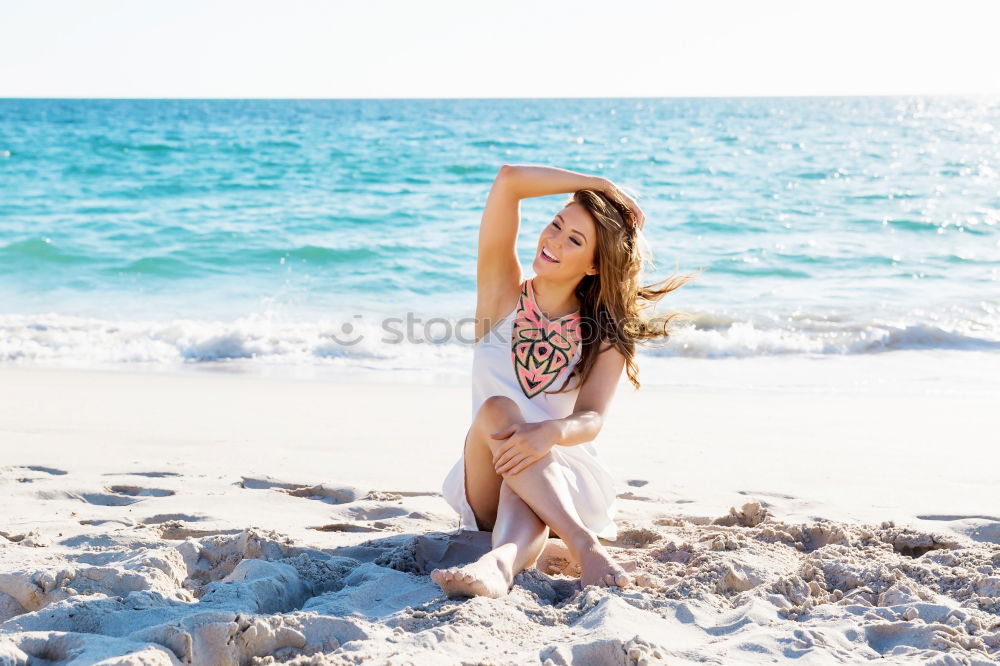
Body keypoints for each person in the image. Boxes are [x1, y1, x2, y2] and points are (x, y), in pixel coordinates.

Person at [433, 164, 700, 599]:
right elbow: (508, 182)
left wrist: (552, 432)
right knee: (498, 412)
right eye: (556, 225)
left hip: (562, 476)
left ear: (594, 264)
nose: (553, 241)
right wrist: (595, 184)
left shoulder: (606, 330)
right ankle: (584, 547)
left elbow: (592, 417)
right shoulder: (500, 294)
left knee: (529, 460)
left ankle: (498, 564)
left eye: (574, 240)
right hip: (487, 470)